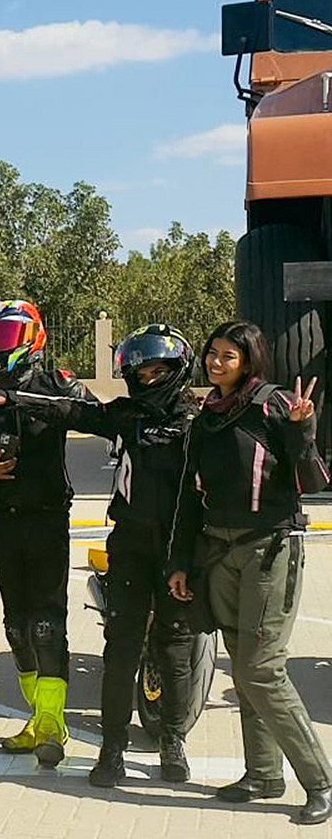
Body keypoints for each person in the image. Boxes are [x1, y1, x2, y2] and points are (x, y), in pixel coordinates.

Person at [0, 324, 199, 786]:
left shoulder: (200, 420)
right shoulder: (125, 414)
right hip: (130, 545)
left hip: (179, 550)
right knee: (121, 648)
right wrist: (16, 400)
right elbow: (71, 410)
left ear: (177, 371)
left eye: (160, 370)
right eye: (141, 371)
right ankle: (111, 749)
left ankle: (172, 740)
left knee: (176, 649)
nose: (150, 379)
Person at [167, 321, 332, 826]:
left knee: (262, 669)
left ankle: (319, 781)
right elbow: (189, 499)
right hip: (219, 552)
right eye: (212, 354)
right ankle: (263, 774)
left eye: (228, 356)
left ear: (250, 361)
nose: (217, 363)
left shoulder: (275, 405)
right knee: (243, 668)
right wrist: (180, 561)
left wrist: (302, 429)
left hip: (269, 549)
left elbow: (311, 478)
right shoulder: (207, 416)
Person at [0, 299, 95, 768]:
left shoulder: (59, 386)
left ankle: (54, 725)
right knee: (16, 626)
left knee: (46, 622)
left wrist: (23, 400)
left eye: (3, 340)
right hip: (4, 521)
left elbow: (94, 416)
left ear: (32, 340)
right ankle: (38, 719)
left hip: (48, 520)